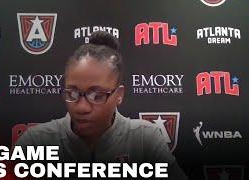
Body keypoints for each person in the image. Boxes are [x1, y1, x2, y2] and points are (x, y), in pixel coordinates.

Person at [16, 31, 188, 179]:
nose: (81, 107)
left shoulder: (145, 140)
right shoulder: (35, 142)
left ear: (119, 95)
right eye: (72, 93)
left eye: (97, 95)